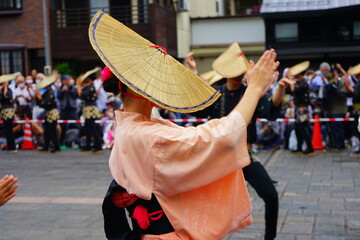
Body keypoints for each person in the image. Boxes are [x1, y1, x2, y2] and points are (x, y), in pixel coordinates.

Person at [89, 11, 278, 240]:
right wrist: (255, 89)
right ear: (138, 90)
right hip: (165, 234)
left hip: (160, 229)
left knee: (270, 194)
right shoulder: (147, 134)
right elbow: (218, 138)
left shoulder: (134, 128)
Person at [186, 42, 293, 240]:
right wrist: (192, 71)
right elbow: (195, 105)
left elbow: (270, 108)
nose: (237, 74)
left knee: (271, 196)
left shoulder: (251, 92)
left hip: (243, 153)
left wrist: (281, 88)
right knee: (203, 201)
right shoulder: (216, 95)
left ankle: (270, 237)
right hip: (217, 156)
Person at [288, 61, 315, 155]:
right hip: (297, 108)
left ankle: (310, 148)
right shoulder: (299, 82)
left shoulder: (304, 83)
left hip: (302, 108)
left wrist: (292, 86)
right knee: (297, 128)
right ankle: (299, 147)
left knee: (302, 128)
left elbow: (295, 91)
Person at [76, 68, 103, 153]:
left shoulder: (91, 87)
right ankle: (88, 145)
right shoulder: (88, 86)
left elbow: (82, 95)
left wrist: (78, 87)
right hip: (87, 110)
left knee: (92, 128)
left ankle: (98, 146)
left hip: (90, 110)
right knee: (87, 128)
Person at [35, 75, 61, 153]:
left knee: (52, 130)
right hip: (47, 112)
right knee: (46, 130)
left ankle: (56, 147)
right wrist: (38, 97)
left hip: (52, 113)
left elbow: (46, 103)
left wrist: (40, 98)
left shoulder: (50, 92)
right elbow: (40, 104)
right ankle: (45, 146)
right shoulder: (46, 92)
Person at [57, 74, 78, 145]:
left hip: (72, 109)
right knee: (62, 125)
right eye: (66, 80)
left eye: (68, 79)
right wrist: (62, 91)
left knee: (76, 124)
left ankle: (76, 140)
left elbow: (75, 96)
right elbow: (58, 97)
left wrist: (69, 90)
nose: (68, 81)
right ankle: (62, 141)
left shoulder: (73, 87)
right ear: (63, 81)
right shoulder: (60, 87)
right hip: (64, 109)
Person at [344, 64, 360, 156]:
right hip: (356, 109)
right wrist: (347, 86)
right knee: (357, 129)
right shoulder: (358, 82)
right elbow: (351, 94)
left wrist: (349, 86)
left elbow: (357, 94)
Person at [0, 74, 17, 152]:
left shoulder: (9, 90)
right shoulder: (1, 91)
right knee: (6, 129)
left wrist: (6, 87)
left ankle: (12, 146)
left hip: (9, 111)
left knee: (9, 129)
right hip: (4, 111)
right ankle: (9, 145)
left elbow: (7, 97)